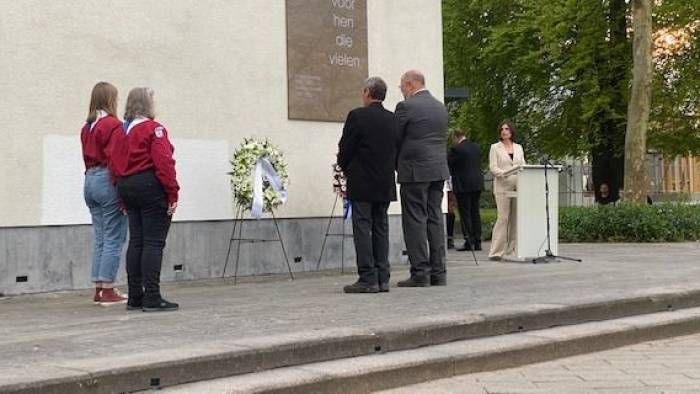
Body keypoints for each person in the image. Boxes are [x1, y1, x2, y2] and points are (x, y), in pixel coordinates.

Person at [111, 87, 180, 312]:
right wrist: (172, 192)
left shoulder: (120, 132)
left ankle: (134, 296)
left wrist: (120, 196)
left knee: (137, 241)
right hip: (150, 186)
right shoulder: (154, 129)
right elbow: (164, 163)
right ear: (148, 105)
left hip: (126, 186)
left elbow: (113, 164)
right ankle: (152, 295)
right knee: (153, 242)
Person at [337, 77, 399, 294]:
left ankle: (367, 277)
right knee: (381, 228)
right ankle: (383, 278)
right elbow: (396, 150)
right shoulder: (393, 119)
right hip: (384, 183)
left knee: (363, 229)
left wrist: (344, 167)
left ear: (367, 92)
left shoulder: (357, 116)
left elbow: (345, 148)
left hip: (362, 182)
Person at [395, 70, 450, 287]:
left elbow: (395, 138)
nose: (401, 90)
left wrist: (396, 164)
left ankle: (420, 273)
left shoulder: (406, 107)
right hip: (438, 170)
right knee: (435, 218)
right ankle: (439, 272)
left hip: (415, 170)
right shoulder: (440, 107)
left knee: (415, 220)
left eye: (401, 86)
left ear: (409, 85)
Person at [80, 82, 128, 305]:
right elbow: (116, 158)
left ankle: (98, 288)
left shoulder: (87, 126)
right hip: (106, 178)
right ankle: (108, 288)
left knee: (100, 236)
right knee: (113, 236)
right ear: (110, 99)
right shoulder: (112, 125)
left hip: (89, 179)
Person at [488, 121, 525, 260]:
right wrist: (503, 173)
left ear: (511, 131)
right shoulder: (495, 148)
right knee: (503, 218)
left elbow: (523, 164)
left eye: (507, 129)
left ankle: (511, 251)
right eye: (502, 129)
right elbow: (493, 167)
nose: (504, 131)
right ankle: (496, 252)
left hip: (518, 184)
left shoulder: (519, 147)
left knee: (515, 219)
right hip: (503, 184)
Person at [448, 129, 484, 251]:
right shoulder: (476, 148)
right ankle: (478, 241)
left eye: (453, 139)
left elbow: (449, 164)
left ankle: (469, 241)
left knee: (465, 213)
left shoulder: (457, 150)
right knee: (475, 212)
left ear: (456, 137)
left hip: (463, 185)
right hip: (477, 183)